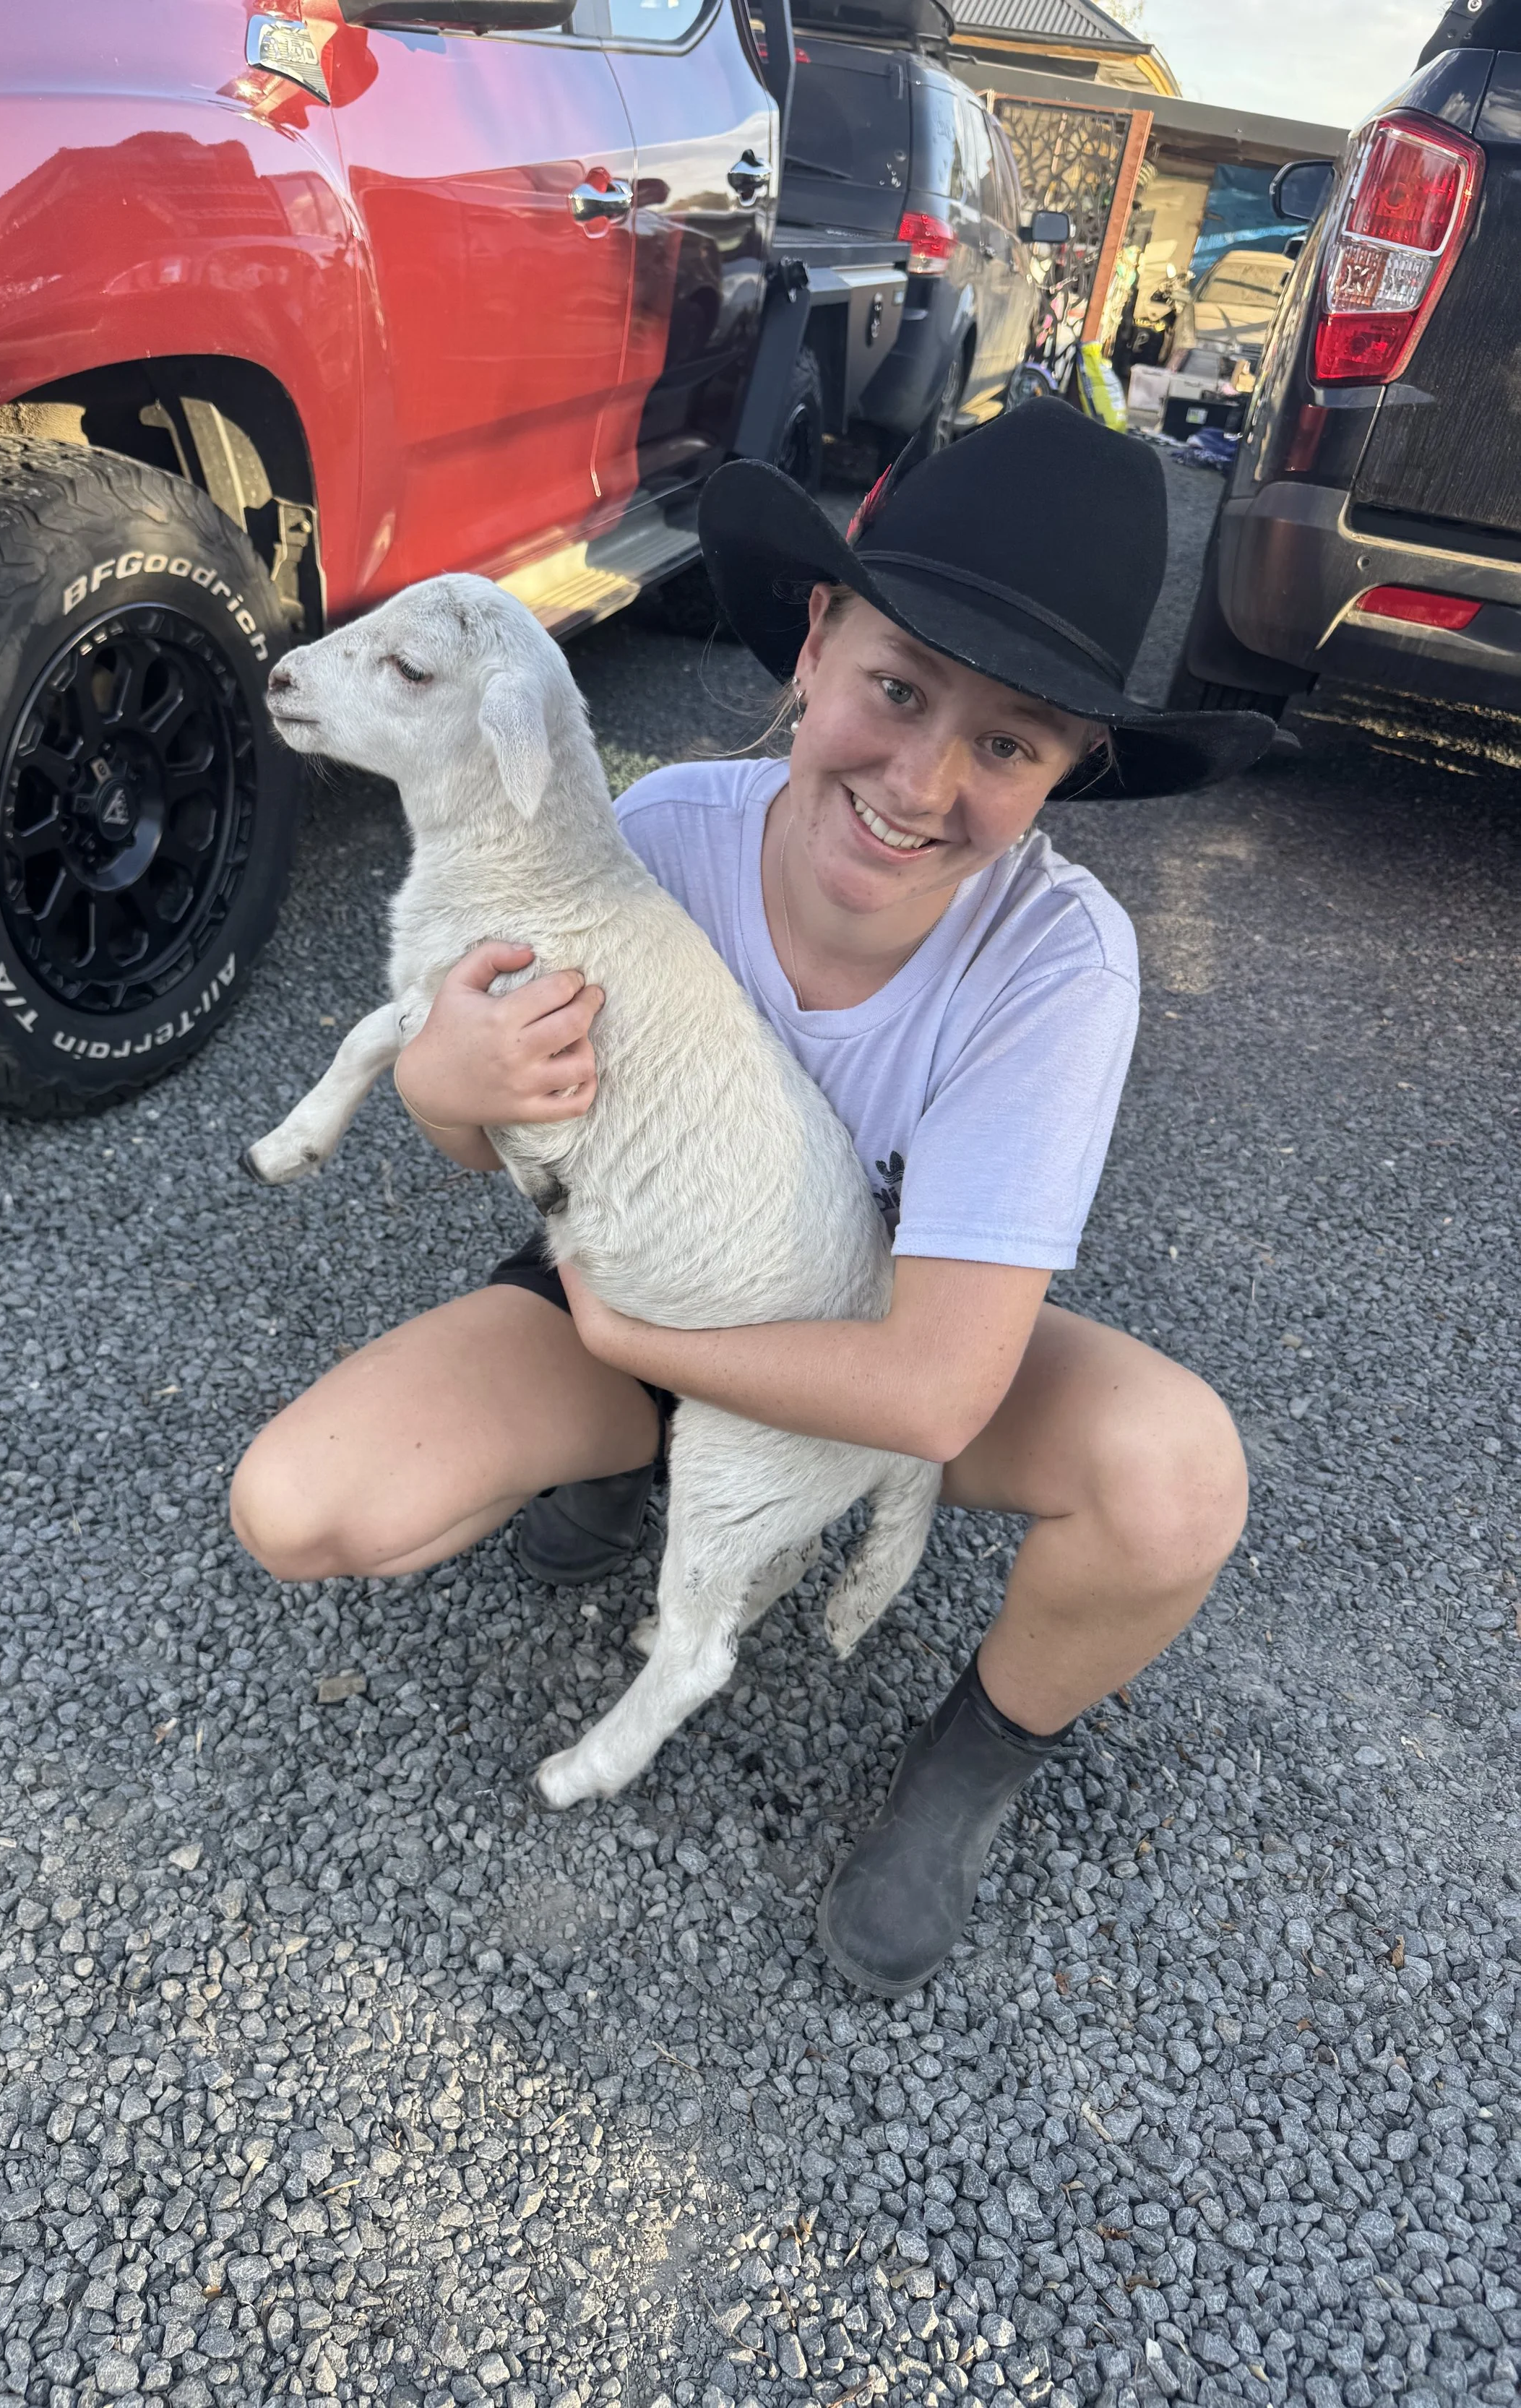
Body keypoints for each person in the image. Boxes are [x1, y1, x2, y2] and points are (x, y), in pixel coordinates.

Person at [230, 401, 1274, 1997]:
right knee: (305, 1507)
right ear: (812, 641)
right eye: (895, 688)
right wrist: (447, 1091)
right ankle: (627, 1453)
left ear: (1073, 769)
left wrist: (625, 1332)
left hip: (857, 1336)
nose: (920, 782)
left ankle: (982, 1750)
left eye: (1005, 742)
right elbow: (516, 1136)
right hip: (638, 1286)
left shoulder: (1055, 968)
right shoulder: (654, 836)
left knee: (1174, 1479)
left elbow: (931, 1384)